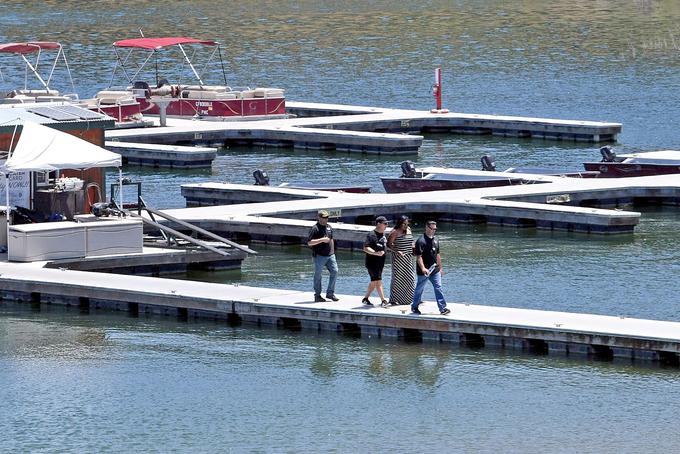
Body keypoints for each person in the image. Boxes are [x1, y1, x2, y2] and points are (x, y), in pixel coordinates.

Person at [411, 220, 450, 315]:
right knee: (419, 289)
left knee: (438, 288)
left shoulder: (436, 240)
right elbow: (419, 257)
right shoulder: (421, 241)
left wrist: (440, 268)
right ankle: (414, 307)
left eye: (435, 229)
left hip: (435, 269)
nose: (433, 231)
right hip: (424, 271)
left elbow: (438, 255)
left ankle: (442, 308)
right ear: (427, 227)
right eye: (431, 228)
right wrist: (423, 268)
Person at [307, 210, 339, 302]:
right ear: (319, 217)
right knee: (318, 275)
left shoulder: (329, 227)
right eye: (324, 217)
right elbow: (309, 242)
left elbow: (331, 239)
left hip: (331, 255)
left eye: (327, 217)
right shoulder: (315, 228)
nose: (326, 219)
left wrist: (333, 251)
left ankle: (330, 293)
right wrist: (321, 240)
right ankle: (317, 295)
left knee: (335, 271)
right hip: (319, 256)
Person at [387, 215, 415, 305]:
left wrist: (414, 247)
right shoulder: (395, 232)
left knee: (410, 279)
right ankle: (394, 300)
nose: (405, 226)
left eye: (407, 224)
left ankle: (408, 299)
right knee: (398, 280)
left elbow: (411, 241)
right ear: (399, 223)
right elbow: (389, 245)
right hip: (398, 259)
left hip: (408, 258)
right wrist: (396, 251)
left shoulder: (409, 229)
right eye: (404, 224)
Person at [362, 216, 389, 308]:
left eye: (387, 223)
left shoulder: (383, 234)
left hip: (380, 263)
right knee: (378, 281)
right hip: (372, 263)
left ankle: (365, 299)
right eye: (384, 223)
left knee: (374, 281)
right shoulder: (371, 235)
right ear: (378, 224)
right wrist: (375, 253)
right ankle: (383, 300)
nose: (386, 225)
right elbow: (365, 248)